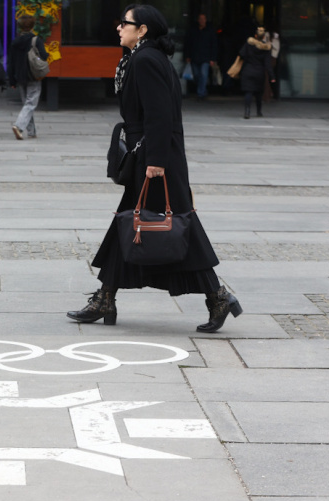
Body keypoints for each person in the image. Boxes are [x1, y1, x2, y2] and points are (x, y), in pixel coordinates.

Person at [67, 4, 241, 334]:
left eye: (125, 23)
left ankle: (218, 297)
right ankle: (105, 298)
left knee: (177, 225)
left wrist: (156, 162)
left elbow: (160, 114)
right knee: (131, 222)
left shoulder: (145, 60)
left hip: (154, 160)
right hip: (151, 156)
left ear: (142, 29)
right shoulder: (145, 58)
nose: (119, 28)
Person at [8, 14, 48, 140]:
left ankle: (31, 132)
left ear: (20, 27)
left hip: (20, 77)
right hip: (33, 75)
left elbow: (11, 62)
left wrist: (12, 80)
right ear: (32, 26)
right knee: (30, 104)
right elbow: (44, 56)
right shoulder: (35, 40)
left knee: (27, 104)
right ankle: (19, 126)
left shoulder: (15, 42)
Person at [238, 26, 274, 119]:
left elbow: (241, 54)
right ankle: (259, 111)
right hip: (259, 72)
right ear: (263, 37)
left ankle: (247, 111)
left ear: (255, 35)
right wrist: (272, 76)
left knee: (248, 92)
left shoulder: (249, 44)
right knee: (258, 93)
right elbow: (268, 64)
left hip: (248, 70)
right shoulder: (266, 48)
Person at [184, 13, 218, 100]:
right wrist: (188, 56)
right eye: (200, 19)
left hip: (206, 58)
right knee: (196, 75)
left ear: (206, 20)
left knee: (203, 74)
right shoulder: (193, 31)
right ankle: (203, 90)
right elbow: (188, 44)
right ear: (198, 20)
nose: (202, 21)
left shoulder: (210, 31)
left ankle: (201, 93)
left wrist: (212, 58)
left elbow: (214, 45)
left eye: (203, 19)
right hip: (194, 57)